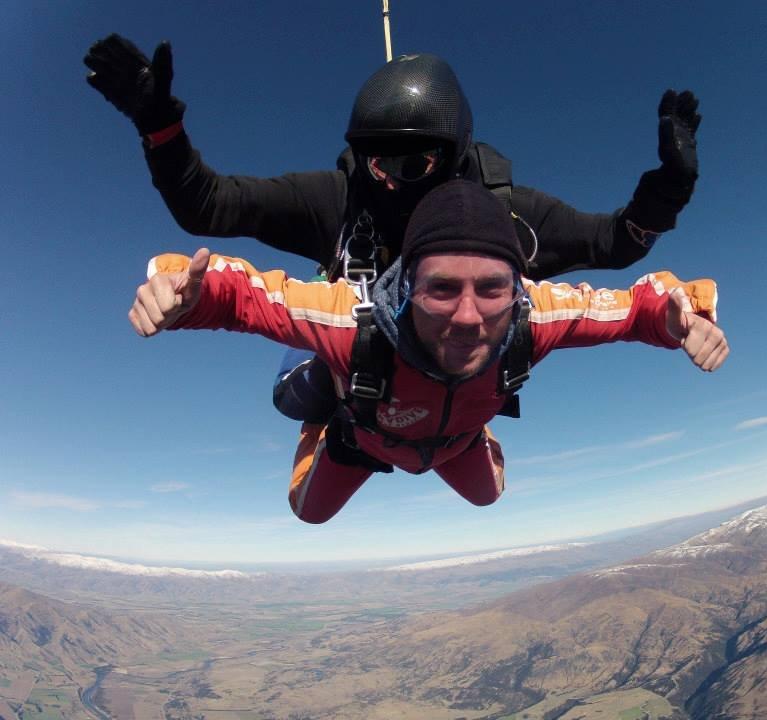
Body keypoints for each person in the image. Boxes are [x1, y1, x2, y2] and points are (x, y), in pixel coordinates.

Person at [86, 34, 703, 424]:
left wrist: (667, 188)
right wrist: (161, 130)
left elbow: (617, 243)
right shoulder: (342, 198)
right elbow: (211, 207)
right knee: (296, 398)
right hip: (351, 347)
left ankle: (453, 423)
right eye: (373, 159)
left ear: (457, 154)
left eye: (409, 163)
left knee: (485, 355)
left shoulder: (505, 218)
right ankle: (348, 421)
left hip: (453, 370)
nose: (386, 180)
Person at [129, 180, 728, 524]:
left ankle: (467, 432)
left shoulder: (533, 318)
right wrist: (183, 293)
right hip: (358, 436)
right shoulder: (352, 320)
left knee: (489, 495)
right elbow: (245, 296)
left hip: (455, 440)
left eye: (492, 288)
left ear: (517, 287)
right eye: (442, 288)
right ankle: (323, 413)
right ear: (406, 286)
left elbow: (630, 307)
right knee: (307, 511)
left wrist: (681, 315)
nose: (469, 317)